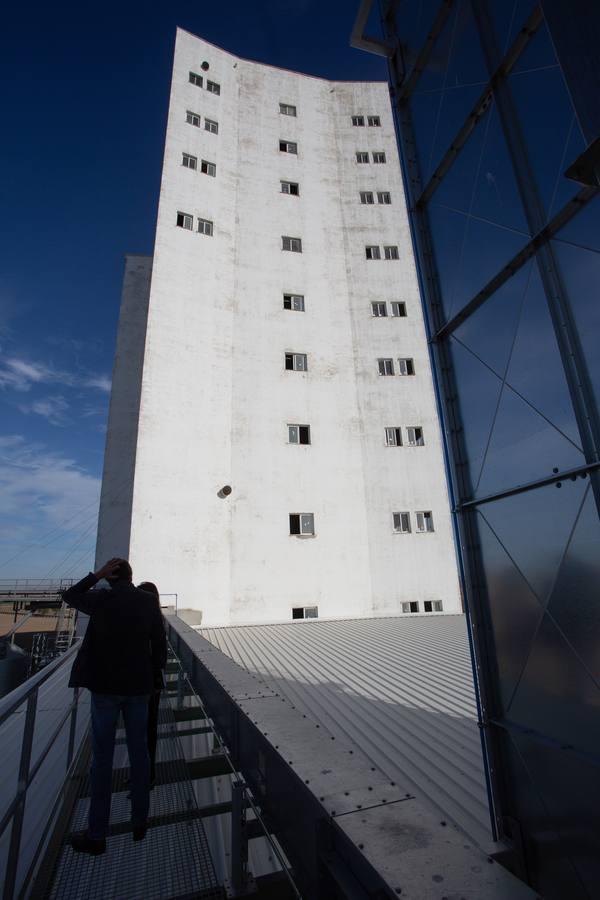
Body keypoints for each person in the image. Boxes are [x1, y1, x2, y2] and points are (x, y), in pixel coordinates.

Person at [62, 558, 167, 855]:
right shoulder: (148, 602)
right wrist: (153, 675)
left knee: (102, 761)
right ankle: (139, 821)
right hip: (139, 687)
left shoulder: (102, 598)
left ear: (111, 577)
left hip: (105, 688)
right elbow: (159, 646)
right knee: (140, 753)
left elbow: (69, 596)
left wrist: (96, 575)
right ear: (132, 577)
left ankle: (97, 835)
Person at [137, 581, 163, 788]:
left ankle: (142, 773)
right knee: (149, 729)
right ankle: (148, 773)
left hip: (136, 683)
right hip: (152, 683)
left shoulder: (136, 617)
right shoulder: (157, 619)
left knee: (138, 730)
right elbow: (161, 655)